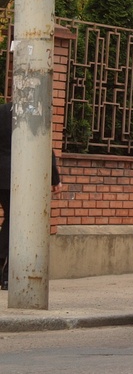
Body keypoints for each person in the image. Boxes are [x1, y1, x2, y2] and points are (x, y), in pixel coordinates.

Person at [1, 102, 61, 291]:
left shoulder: (2, 111)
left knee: (10, 222)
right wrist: (55, 179)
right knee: (14, 223)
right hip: (19, 176)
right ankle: (7, 274)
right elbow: (44, 143)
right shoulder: (34, 112)